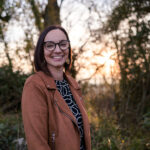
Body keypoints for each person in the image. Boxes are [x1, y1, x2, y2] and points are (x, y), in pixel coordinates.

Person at [21, 25, 91, 150]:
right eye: (50, 45)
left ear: (68, 48)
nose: (58, 50)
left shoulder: (73, 84)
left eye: (63, 44)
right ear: (42, 50)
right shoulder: (34, 85)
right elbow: (37, 144)